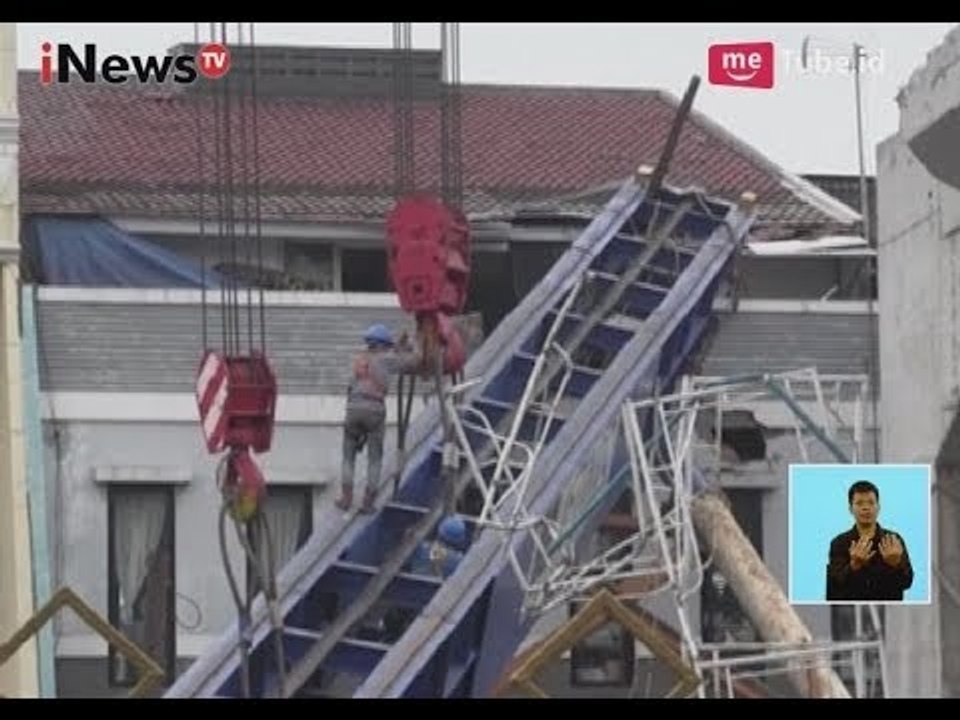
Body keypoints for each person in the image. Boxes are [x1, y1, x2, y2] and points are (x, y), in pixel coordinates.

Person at [335, 324, 422, 513]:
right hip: (374, 409)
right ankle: (368, 503)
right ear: (384, 345)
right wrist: (413, 345)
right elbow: (414, 362)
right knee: (374, 458)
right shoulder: (387, 359)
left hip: (352, 409)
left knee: (348, 456)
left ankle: (346, 498)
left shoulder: (360, 360)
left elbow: (350, 387)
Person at [826, 480, 914, 601]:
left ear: (878, 507)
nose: (866, 508)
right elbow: (835, 587)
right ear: (850, 509)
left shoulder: (893, 540)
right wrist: (853, 567)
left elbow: (907, 582)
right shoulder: (839, 543)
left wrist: (896, 564)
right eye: (859, 503)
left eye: (871, 503)